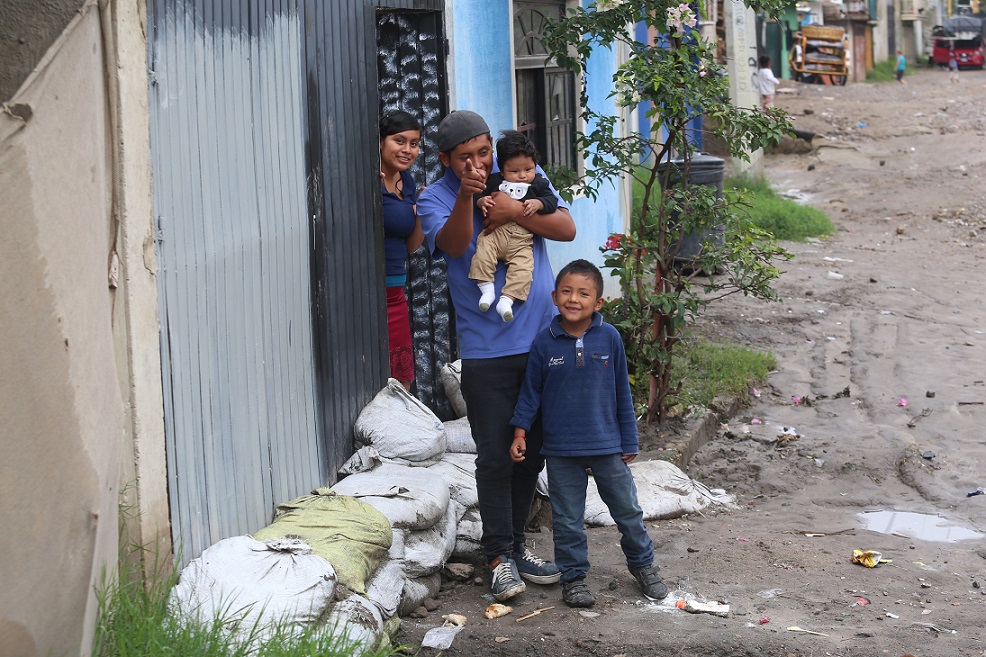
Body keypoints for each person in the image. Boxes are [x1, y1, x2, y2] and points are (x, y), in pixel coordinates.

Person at [417, 110, 576, 602]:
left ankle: (517, 545)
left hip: (542, 340)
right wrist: (469, 195)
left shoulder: (518, 173)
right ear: (445, 159)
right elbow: (454, 244)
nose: (479, 163)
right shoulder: (434, 196)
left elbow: (566, 228)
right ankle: (498, 557)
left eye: (483, 153)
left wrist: (516, 211)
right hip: (488, 350)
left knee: (534, 449)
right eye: (466, 157)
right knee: (494, 455)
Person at [509, 259, 669, 609]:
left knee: (627, 510)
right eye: (566, 291)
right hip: (561, 450)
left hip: (607, 446)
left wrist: (629, 440)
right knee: (567, 519)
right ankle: (574, 577)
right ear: (554, 296)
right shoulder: (544, 342)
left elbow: (621, 394)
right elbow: (530, 393)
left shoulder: (609, 338)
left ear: (598, 302)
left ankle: (644, 566)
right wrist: (520, 432)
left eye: (583, 293)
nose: (573, 299)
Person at [471, 130, 559, 322]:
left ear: (535, 166)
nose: (522, 176)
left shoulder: (538, 183)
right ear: (502, 170)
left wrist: (540, 203)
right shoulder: (494, 181)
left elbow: (552, 201)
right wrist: (480, 202)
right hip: (494, 234)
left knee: (524, 269)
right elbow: (477, 194)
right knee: (482, 254)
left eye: (528, 169)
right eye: (514, 171)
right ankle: (487, 290)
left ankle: (507, 300)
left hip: (521, 240)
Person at [379, 110, 424, 389]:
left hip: (396, 293)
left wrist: (421, 211)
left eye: (414, 143)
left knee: (402, 381)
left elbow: (411, 245)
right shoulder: (368, 180)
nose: (407, 150)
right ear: (381, 142)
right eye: (399, 141)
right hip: (366, 293)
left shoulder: (406, 182)